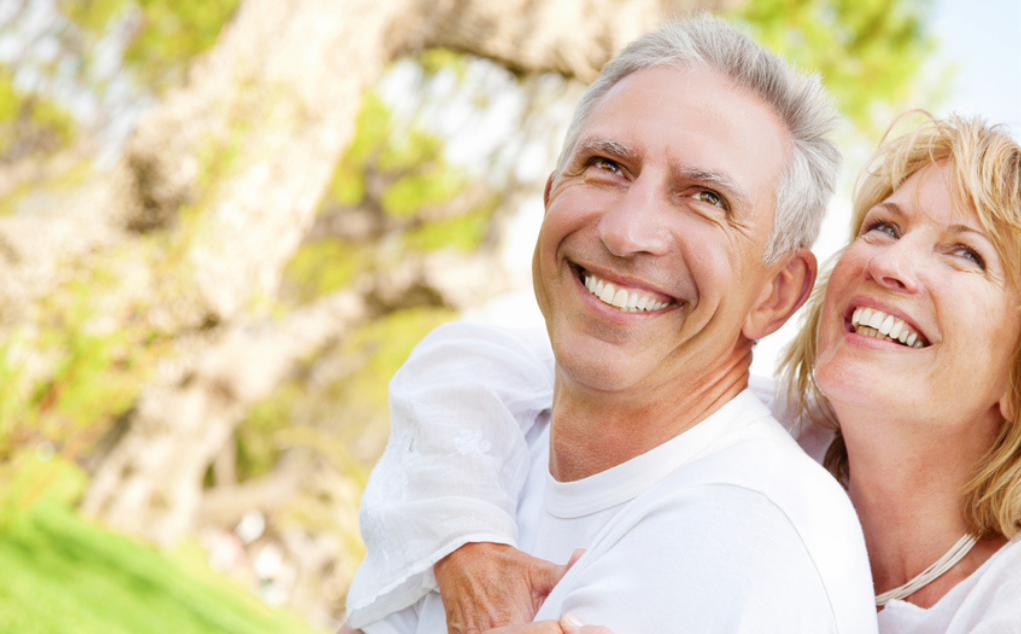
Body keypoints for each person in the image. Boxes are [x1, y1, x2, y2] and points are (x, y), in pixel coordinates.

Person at [349, 113, 1021, 633]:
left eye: (964, 254)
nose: (889, 263)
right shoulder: (792, 437)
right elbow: (473, 364)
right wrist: (467, 545)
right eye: (884, 226)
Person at [342, 17, 877, 634]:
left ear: (775, 293)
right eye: (607, 166)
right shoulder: (489, 448)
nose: (626, 232)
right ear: (550, 198)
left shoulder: (751, 538)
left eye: (706, 198)